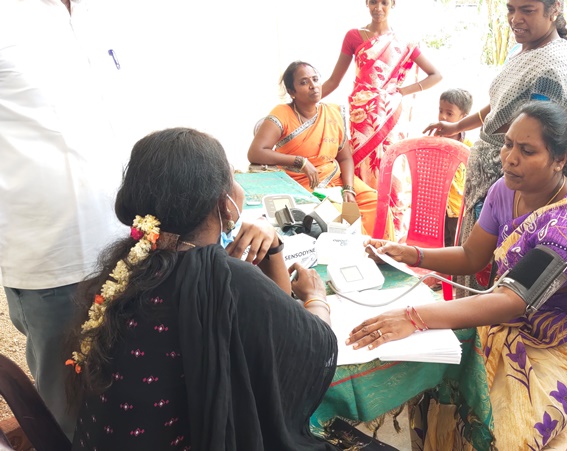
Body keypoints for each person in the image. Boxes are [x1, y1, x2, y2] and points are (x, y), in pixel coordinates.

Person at [349, 103, 567, 450]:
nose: (510, 159)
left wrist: (414, 317)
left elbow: (511, 300)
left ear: (560, 159)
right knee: (434, 381)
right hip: (514, 319)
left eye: (527, 150)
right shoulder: (505, 190)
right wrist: (412, 254)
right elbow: (472, 256)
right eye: (508, 144)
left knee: (500, 430)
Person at [67, 128, 338, 450]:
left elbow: (274, 321)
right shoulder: (228, 280)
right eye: (232, 176)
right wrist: (316, 297)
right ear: (225, 203)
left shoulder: (129, 267)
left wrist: (273, 245)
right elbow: (313, 345)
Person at [0, 0, 127, 438]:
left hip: (126, 244)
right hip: (51, 259)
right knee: (68, 411)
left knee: (126, 385)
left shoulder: (98, 15)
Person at [423, 0, 567, 295]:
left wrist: (506, 162)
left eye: (527, 10)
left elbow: (533, 134)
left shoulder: (552, 67)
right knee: (471, 266)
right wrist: (458, 126)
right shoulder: (523, 51)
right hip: (489, 181)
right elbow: (498, 107)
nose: (515, 19)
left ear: (554, 9)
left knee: (491, 279)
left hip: (508, 183)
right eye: (511, 9)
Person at [249, 61, 387, 238]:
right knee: (339, 216)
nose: (313, 85)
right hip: (303, 183)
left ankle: (381, 250)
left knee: (376, 204)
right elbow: (256, 152)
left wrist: (349, 189)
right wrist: (300, 162)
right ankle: (359, 250)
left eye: (315, 79)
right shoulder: (282, 113)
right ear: (291, 92)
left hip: (336, 179)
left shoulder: (332, 113)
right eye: (304, 82)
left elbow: (345, 158)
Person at [321, 0, 443, 189]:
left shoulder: (403, 42)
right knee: (361, 164)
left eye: (384, 3)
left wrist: (402, 91)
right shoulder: (353, 36)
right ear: (366, 3)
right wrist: (304, 100)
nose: (378, 8)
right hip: (362, 115)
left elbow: (436, 75)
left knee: (391, 166)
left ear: (393, 4)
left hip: (390, 115)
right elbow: (333, 81)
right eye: (373, 2)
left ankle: (390, 209)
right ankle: (364, 205)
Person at [437, 88, 474, 247]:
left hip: (457, 209)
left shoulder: (468, 148)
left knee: (455, 244)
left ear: (463, 118)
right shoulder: (433, 141)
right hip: (437, 206)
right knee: (437, 244)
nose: (443, 117)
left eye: (449, 113)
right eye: (440, 111)